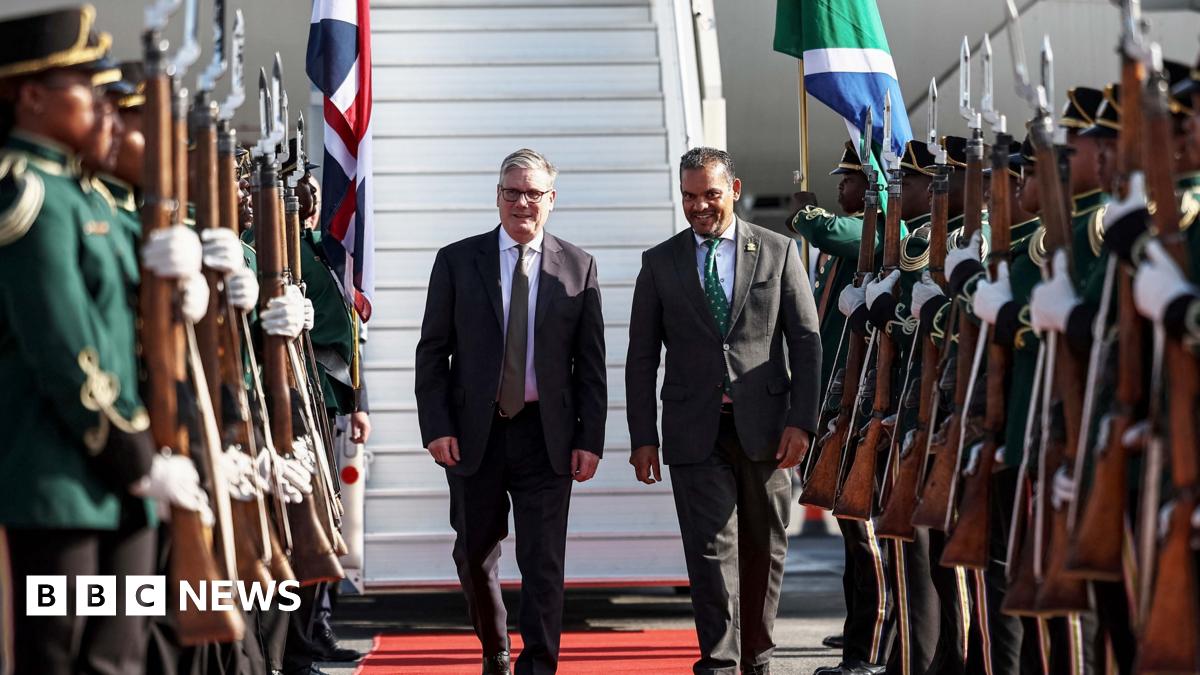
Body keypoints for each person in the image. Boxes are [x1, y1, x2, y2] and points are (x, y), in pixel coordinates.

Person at [0, 7, 210, 674]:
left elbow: (143, 320)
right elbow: (63, 346)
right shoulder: (27, 195)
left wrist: (191, 276)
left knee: (117, 655)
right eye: (81, 86)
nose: (99, 104)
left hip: (126, 477)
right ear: (31, 95)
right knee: (57, 656)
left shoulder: (84, 197)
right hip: (62, 478)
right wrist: (135, 454)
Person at [626, 147, 821, 675]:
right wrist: (642, 437)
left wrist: (804, 422)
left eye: (710, 194)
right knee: (710, 550)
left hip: (769, 428)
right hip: (694, 432)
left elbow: (805, 342)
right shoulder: (659, 262)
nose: (699, 207)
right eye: (689, 197)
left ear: (733, 190)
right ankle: (719, 660)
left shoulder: (779, 252)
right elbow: (642, 356)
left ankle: (757, 655)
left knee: (764, 548)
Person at [414, 148, 606, 675]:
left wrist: (591, 439)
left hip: (547, 437)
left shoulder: (578, 266)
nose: (522, 202)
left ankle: (539, 664)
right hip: (475, 434)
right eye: (512, 192)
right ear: (497, 197)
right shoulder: (456, 261)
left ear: (552, 200)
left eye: (533, 193)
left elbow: (590, 366)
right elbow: (432, 351)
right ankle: (495, 645)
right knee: (473, 554)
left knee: (543, 561)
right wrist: (436, 428)